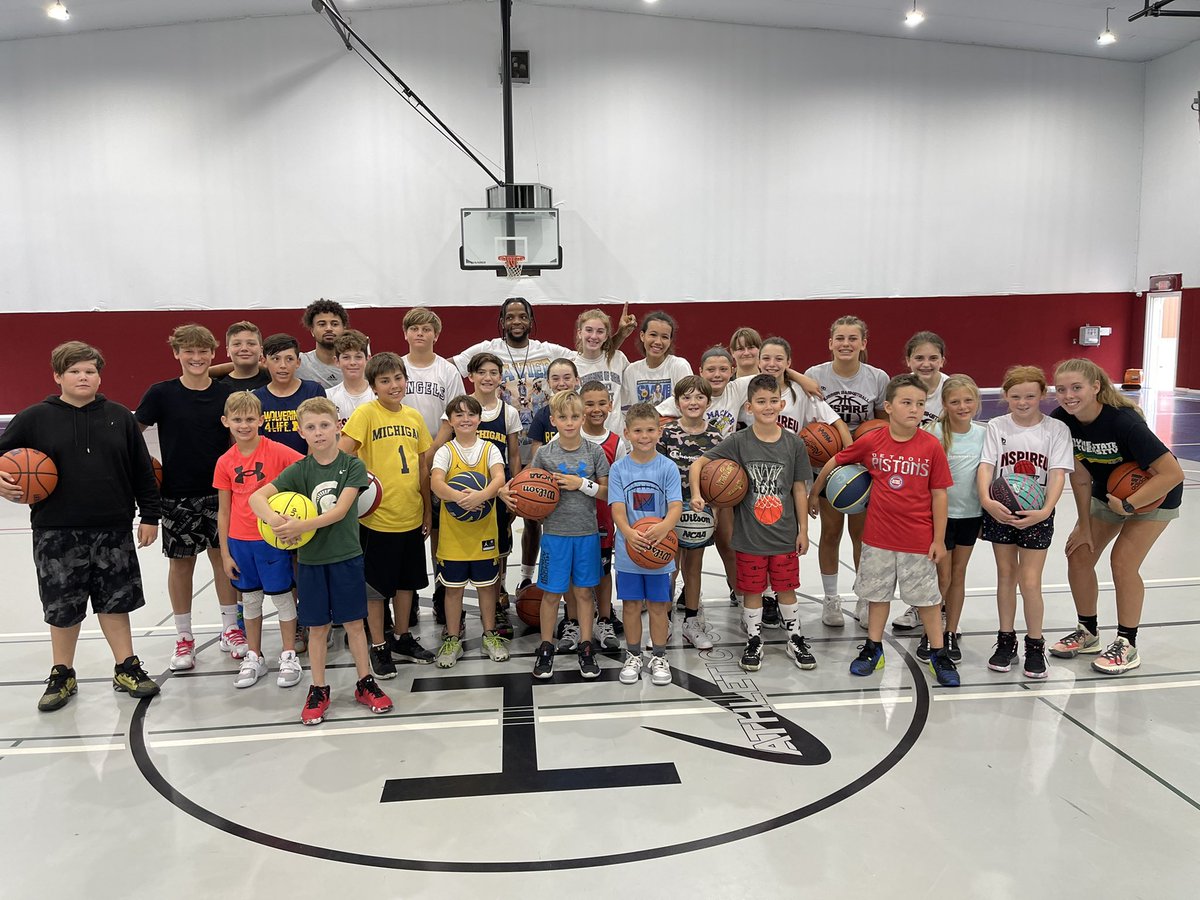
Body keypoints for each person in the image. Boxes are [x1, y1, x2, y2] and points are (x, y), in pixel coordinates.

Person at [0, 341, 161, 711]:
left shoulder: (119, 416)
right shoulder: (34, 417)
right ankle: (62, 672)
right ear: (58, 376)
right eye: (74, 371)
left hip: (113, 527)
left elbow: (142, 471)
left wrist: (150, 516)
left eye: (90, 371)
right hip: (56, 530)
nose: (83, 377)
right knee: (62, 607)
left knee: (115, 603)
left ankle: (127, 666)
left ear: (99, 375)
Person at [249, 397, 391, 725]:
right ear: (301, 432)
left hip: (346, 558)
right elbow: (256, 497)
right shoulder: (299, 470)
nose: (319, 432)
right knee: (317, 628)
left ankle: (364, 681)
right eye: (311, 427)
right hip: (311, 562)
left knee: (356, 625)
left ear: (338, 426)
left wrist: (299, 526)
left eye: (325, 425)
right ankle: (318, 688)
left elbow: (340, 510)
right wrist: (274, 520)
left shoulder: (352, 466)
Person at [811, 373, 959, 687]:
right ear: (888, 407)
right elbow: (837, 459)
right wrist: (815, 492)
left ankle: (938, 652)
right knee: (877, 598)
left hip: (918, 540)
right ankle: (873, 649)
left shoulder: (931, 446)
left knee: (928, 602)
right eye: (907, 403)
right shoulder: (873, 441)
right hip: (878, 538)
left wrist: (939, 539)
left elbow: (940, 494)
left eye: (920, 404)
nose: (914, 410)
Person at [1050, 358, 1185, 674]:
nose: (1068, 395)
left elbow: (1172, 473)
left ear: (1095, 387)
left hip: (1154, 495)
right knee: (1079, 553)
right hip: (1109, 492)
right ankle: (1088, 633)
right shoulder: (1063, 421)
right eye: (1061, 389)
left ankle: (1127, 644)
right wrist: (1084, 527)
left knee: (1123, 562)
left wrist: (1128, 505)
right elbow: (1081, 478)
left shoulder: (1124, 423)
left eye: (1076, 388)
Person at [691, 374, 813, 673]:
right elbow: (699, 464)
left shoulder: (794, 444)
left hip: (784, 534)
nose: (768, 406)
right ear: (749, 406)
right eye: (761, 402)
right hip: (749, 536)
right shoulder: (739, 441)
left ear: (782, 403)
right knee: (752, 591)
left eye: (773, 401)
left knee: (786, 589)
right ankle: (754, 639)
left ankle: (794, 636)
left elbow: (799, 488)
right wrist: (697, 493)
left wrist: (804, 531)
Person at [452, 297, 574, 594]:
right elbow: (448, 367)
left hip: (538, 446)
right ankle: (502, 585)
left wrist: (619, 336)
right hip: (497, 450)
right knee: (503, 523)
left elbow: (588, 354)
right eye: (510, 317)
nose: (516, 322)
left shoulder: (549, 350)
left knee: (537, 517)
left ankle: (534, 579)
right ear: (502, 321)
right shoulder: (488, 349)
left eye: (522, 316)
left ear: (531, 320)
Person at [136, 324, 239, 672]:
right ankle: (184, 637)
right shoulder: (160, 393)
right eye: (188, 351)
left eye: (202, 351)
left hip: (220, 493)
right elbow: (134, 438)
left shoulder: (226, 394)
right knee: (181, 566)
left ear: (213, 354)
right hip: (176, 495)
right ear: (176, 354)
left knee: (224, 562)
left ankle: (231, 629)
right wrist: (143, 477)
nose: (196, 357)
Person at [501, 390, 609, 680]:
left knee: (585, 594)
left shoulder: (594, 452)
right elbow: (522, 486)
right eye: (563, 417)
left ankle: (586, 647)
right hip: (555, 537)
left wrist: (580, 484)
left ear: (583, 417)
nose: (570, 422)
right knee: (550, 596)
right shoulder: (544, 455)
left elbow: (607, 491)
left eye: (575, 416)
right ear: (553, 420)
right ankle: (545, 647)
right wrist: (505, 492)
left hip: (586, 534)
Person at [340, 352, 435, 674]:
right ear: (373, 386)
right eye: (385, 381)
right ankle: (379, 645)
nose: (393, 385)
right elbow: (342, 455)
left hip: (410, 514)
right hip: (377, 519)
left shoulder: (413, 417)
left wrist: (426, 510)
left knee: (407, 583)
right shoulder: (366, 414)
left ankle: (401, 636)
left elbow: (423, 467)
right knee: (377, 589)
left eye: (398, 378)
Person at [977, 365, 1074, 679]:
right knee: (1005, 576)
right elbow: (986, 467)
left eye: (1030, 396)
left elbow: (1058, 473)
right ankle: (1006, 640)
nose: (1022, 402)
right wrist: (987, 501)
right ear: (1005, 396)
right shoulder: (996, 426)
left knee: (1030, 581)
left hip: (1037, 513)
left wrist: (1046, 509)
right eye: (1016, 396)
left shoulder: (1056, 429)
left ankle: (1035, 643)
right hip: (1000, 511)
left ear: (1042, 395)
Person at [213, 391, 304, 689]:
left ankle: (288, 653)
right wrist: (225, 554)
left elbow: (308, 468)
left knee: (281, 597)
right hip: (240, 543)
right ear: (226, 421)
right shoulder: (224, 461)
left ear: (261, 420)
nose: (244, 425)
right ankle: (255, 655)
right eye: (237, 419)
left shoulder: (277, 451)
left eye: (250, 418)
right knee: (250, 600)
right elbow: (223, 511)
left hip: (272, 540)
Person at [804, 315, 889, 629]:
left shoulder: (878, 378)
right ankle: (831, 600)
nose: (846, 344)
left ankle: (865, 598)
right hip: (826, 465)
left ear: (863, 344)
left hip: (863, 469)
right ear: (830, 343)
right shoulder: (815, 375)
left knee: (862, 537)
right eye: (840, 338)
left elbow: (881, 426)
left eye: (853, 338)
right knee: (830, 533)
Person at [431, 352, 523, 637]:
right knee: (456, 560)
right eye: (481, 372)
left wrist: (509, 490)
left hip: (494, 497)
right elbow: (437, 454)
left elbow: (514, 458)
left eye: (493, 372)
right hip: (458, 503)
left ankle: (496, 605)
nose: (487, 377)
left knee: (499, 553)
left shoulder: (507, 413)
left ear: (501, 376)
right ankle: (450, 617)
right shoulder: (455, 418)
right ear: (471, 376)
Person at [429, 395, 509, 667]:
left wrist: (481, 496)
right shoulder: (445, 451)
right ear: (450, 421)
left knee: (488, 588)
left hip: (484, 533)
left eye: (470, 414)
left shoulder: (489, 449)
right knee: (453, 590)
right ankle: (453, 638)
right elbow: (436, 483)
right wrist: (458, 497)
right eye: (459, 414)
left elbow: (499, 477)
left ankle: (489, 634)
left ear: (479, 419)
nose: (465, 419)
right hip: (454, 537)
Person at [401, 307, 469, 620]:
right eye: (414, 328)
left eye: (426, 329)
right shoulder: (396, 367)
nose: (420, 334)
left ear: (435, 335)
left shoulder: (447, 371)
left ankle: (442, 595)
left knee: (439, 530)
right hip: (399, 458)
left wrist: (428, 454)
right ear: (406, 334)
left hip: (439, 456)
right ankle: (409, 595)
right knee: (408, 528)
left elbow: (451, 416)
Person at [610, 403, 683, 685]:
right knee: (630, 605)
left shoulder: (667, 467)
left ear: (659, 431)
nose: (644, 436)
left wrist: (664, 527)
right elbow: (617, 507)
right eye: (638, 431)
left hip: (659, 549)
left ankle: (660, 656)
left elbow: (675, 506)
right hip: (630, 549)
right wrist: (628, 532)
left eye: (650, 430)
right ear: (627, 433)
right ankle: (634, 656)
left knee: (658, 605)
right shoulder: (619, 468)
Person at [923, 375, 985, 662]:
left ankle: (950, 631)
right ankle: (931, 631)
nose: (962, 406)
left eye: (968, 400)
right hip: (941, 517)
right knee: (942, 576)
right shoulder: (932, 433)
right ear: (945, 404)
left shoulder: (985, 434)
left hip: (971, 514)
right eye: (955, 401)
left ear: (977, 402)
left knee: (958, 575)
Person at [657, 376, 720, 650]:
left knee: (693, 567)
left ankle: (691, 622)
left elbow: (721, 479)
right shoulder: (666, 433)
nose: (693, 402)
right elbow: (656, 472)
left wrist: (715, 510)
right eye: (686, 397)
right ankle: (665, 621)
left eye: (699, 397)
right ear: (677, 401)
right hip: (670, 511)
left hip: (699, 512)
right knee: (669, 568)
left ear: (708, 401)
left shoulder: (717, 436)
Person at [581, 380, 629, 650]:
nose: (596, 409)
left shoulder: (616, 443)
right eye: (589, 404)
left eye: (602, 403)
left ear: (610, 406)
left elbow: (618, 486)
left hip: (602, 518)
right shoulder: (568, 437)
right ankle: (574, 621)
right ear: (580, 406)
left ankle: (605, 618)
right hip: (571, 520)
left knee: (602, 570)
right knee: (576, 573)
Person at [252, 333, 328, 456]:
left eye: (289, 359)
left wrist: (309, 470)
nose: (283, 365)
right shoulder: (256, 398)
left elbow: (319, 436)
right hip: (271, 469)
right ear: (264, 361)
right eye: (276, 359)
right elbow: (257, 443)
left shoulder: (313, 391)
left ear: (298, 362)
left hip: (307, 468)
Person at [574, 306, 636, 432]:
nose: (594, 336)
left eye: (600, 331)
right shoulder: (572, 366)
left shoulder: (618, 358)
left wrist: (621, 335)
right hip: (586, 440)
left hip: (618, 439)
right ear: (580, 333)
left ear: (607, 335)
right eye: (589, 330)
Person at [620, 311, 693, 412]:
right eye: (653, 335)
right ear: (642, 336)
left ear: (670, 341)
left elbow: (689, 404)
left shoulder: (679, 366)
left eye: (664, 337)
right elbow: (625, 410)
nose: (658, 342)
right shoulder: (631, 371)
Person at [296, 298, 349, 390]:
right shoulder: (298, 363)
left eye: (334, 324)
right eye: (322, 324)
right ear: (312, 330)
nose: (329, 328)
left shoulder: (357, 364)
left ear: (344, 328)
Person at [325, 329, 375, 426]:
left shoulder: (379, 395)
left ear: (368, 359)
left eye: (358, 357)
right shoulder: (328, 397)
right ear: (336, 361)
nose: (352, 363)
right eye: (346, 357)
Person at [904, 331, 950, 426]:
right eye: (919, 358)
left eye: (933, 358)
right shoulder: (900, 388)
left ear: (942, 361)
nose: (926, 364)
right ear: (908, 361)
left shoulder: (951, 388)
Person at [216, 321, 270, 391]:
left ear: (261, 350)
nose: (244, 348)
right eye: (237, 344)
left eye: (251, 344)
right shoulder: (219, 388)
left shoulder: (275, 380)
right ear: (228, 351)